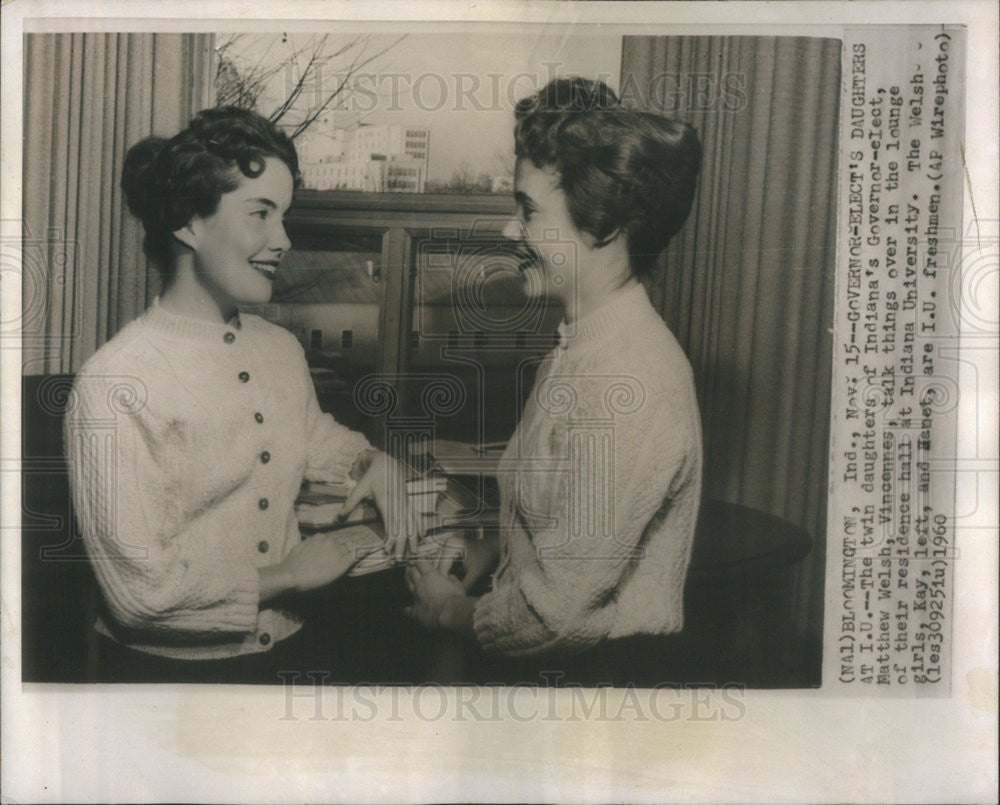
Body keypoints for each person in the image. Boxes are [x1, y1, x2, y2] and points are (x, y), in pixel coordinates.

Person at [65, 106, 421, 683]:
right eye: (260, 214)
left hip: (289, 654)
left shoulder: (278, 348)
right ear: (189, 223)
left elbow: (311, 437)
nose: (282, 240)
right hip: (164, 681)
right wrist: (287, 576)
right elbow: (138, 595)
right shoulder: (114, 385)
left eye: (284, 215)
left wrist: (368, 460)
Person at [404, 77, 703, 682]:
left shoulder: (629, 380)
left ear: (603, 226)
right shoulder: (580, 348)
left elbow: (554, 616)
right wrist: (491, 550)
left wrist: (447, 613)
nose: (511, 231)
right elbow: (562, 531)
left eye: (529, 209)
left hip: (599, 691)